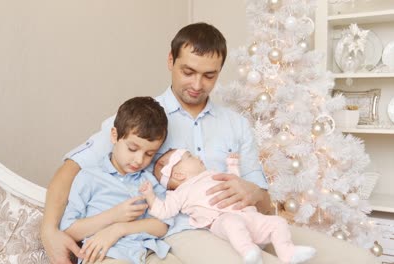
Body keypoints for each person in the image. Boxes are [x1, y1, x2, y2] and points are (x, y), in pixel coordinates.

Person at [41, 22, 381, 264]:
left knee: (358, 258)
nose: (197, 84)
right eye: (188, 71)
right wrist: (49, 231)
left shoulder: (235, 124)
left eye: (209, 75)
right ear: (170, 61)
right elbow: (71, 169)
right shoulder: (144, 120)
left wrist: (253, 192)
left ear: (219, 72)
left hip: (248, 217)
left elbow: (264, 201)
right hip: (191, 228)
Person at [139, 149, 316, 264]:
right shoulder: (179, 193)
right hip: (221, 222)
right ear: (178, 174)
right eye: (191, 156)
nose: (199, 157)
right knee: (231, 222)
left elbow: (233, 182)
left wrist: (232, 166)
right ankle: (249, 252)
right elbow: (163, 211)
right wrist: (150, 196)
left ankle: (288, 252)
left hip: (250, 217)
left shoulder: (212, 174)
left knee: (278, 222)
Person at [59, 96, 180, 264]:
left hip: (147, 253)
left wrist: (120, 229)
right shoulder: (89, 177)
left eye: (149, 154)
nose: (139, 160)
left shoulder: (148, 181)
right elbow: (69, 230)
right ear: (115, 136)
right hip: (106, 254)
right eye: (132, 149)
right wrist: (114, 216)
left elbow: (162, 225)